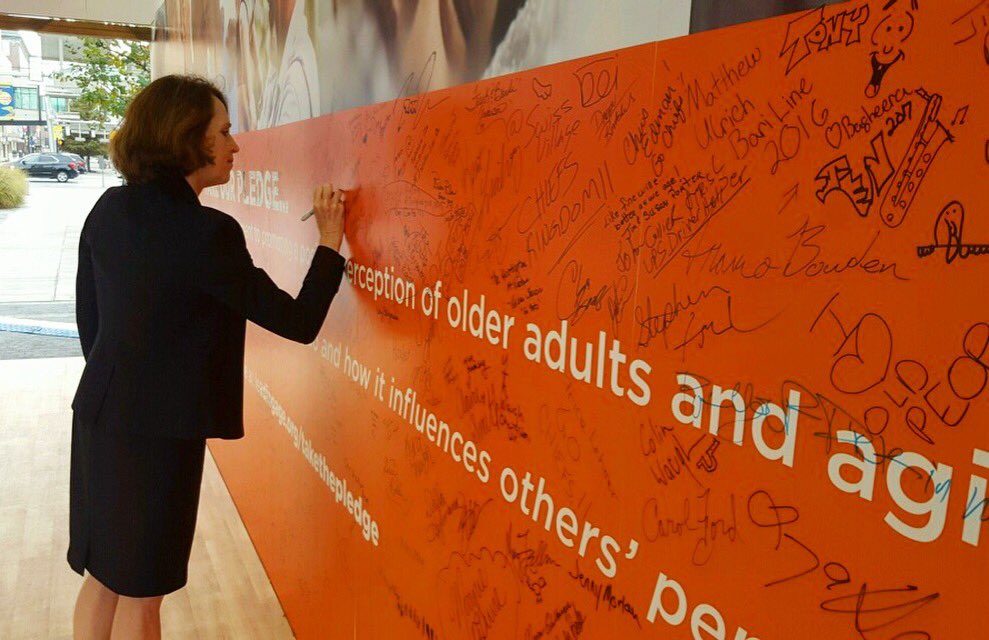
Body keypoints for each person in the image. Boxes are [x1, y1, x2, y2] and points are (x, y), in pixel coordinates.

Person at [68, 74, 349, 639]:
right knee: (144, 598)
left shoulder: (109, 209)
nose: (234, 144)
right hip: (160, 437)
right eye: (223, 131)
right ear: (187, 137)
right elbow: (297, 322)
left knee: (103, 580)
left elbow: (90, 321)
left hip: (100, 418)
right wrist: (329, 243)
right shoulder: (208, 233)